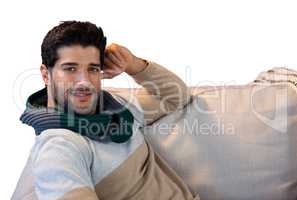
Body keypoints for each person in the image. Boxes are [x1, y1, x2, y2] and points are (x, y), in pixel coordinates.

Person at [11, 20, 199, 200]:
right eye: (70, 68)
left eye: (93, 69)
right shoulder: (58, 145)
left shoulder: (116, 106)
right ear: (46, 74)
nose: (84, 81)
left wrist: (133, 64)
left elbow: (176, 97)